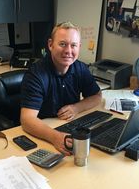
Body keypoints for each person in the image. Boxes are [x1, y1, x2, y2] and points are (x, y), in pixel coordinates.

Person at [20, 21, 102, 155]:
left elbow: (97, 96)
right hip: (44, 133)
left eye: (73, 45)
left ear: (79, 47)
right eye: (62, 44)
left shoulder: (80, 68)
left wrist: (77, 108)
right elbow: (27, 120)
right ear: (50, 45)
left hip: (69, 126)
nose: (68, 51)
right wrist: (55, 137)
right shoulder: (36, 74)